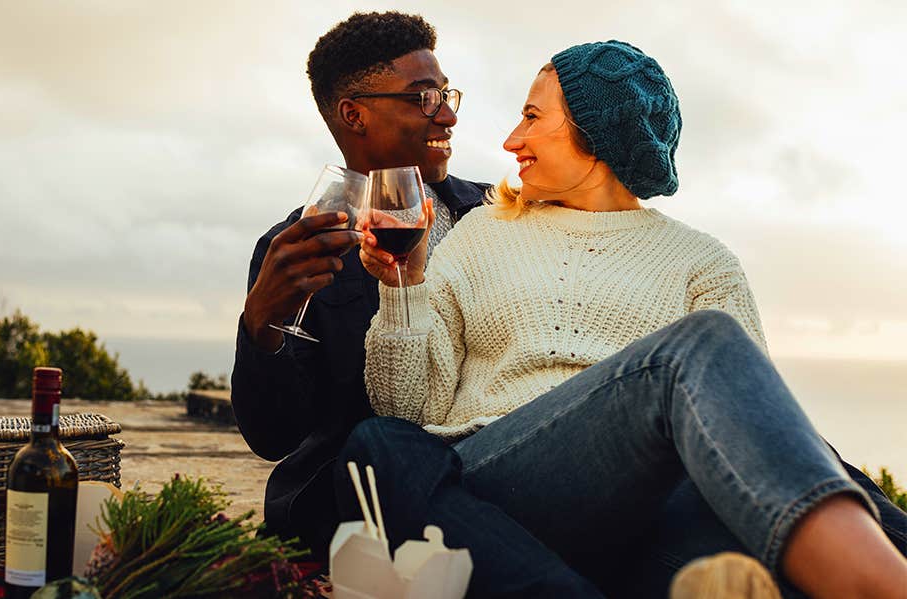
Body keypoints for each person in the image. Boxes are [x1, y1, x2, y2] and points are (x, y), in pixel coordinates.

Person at [348, 40, 907, 598]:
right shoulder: (482, 233)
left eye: (532, 116)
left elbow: (748, 427)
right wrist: (402, 286)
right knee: (381, 442)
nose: (511, 139)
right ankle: (875, 585)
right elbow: (407, 407)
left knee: (746, 560)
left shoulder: (701, 260)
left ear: (596, 135)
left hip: (654, 513)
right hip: (506, 480)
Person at [230, 11, 490, 563]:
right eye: (423, 98)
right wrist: (261, 327)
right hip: (363, 515)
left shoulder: (495, 214)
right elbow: (273, 437)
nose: (446, 115)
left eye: (447, 95)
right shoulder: (297, 252)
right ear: (355, 114)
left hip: (495, 473)